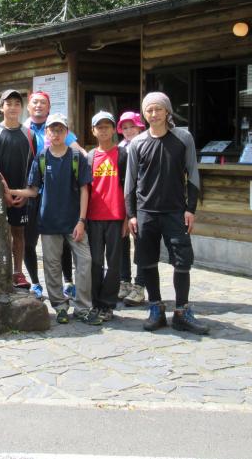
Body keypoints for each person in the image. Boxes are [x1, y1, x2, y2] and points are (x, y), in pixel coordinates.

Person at [125, 92, 209, 335]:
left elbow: (193, 174)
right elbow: (129, 182)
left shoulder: (183, 138)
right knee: (147, 261)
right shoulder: (138, 143)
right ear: (144, 114)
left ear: (167, 111)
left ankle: (182, 311)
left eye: (158, 109)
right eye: (149, 110)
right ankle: (156, 309)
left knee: (183, 261)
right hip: (146, 212)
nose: (154, 114)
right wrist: (131, 214)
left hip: (175, 211)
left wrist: (190, 208)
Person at [9, 114, 102, 326]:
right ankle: (60, 306)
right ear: (47, 133)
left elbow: (84, 190)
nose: (56, 133)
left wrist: (81, 220)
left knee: (85, 262)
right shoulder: (41, 157)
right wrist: (12, 191)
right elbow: (33, 190)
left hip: (74, 222)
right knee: (51, 266)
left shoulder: (77, 157)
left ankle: (83, 307)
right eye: (52, 130)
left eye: (60, 130)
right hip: (49, 222)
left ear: (67, 133)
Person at [23, 90, 83, 299]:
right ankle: (36, 283)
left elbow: (80, 152)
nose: (38, 106)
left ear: (49, 108)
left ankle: (68, 281)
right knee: (29, 240)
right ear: (28, 107)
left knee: (62, 238)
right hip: (32, 191)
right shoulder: (23, 130)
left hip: (57, 193)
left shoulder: (58, 129)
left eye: (43, 103)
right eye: (35, 103)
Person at [0, 89, 36, 289]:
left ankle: (18, 273)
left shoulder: (29, 134)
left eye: (16, 103)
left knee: (19, 233)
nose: (13, 107)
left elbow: (34, 166)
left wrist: (27, 193)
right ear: (1, 107)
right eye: (8, 103)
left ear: (21, 108)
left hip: (22, 196)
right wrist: (2, 191)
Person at [86, 111, 128, 321]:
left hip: (116, 216)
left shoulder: (123, 155)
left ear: (113, 129)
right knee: (94, 262)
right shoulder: (90, 156)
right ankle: (94, 301)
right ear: (93, 131)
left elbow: (131, 187)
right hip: (93, 216)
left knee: (113, 263)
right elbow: (84, 189)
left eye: (107, 126)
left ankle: (108, 303)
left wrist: (128, 218)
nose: (103, 130)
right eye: (99, 127)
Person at [116, 111, 146, 306]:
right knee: (122, 241)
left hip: (142, 201)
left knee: (142, 244)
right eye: (124, 128)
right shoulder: (119, 148)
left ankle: (140, 286)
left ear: (139, 127)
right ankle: (124, 281)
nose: (128, 131)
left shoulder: (146, 143)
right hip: (122, 199)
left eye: (131, 127)